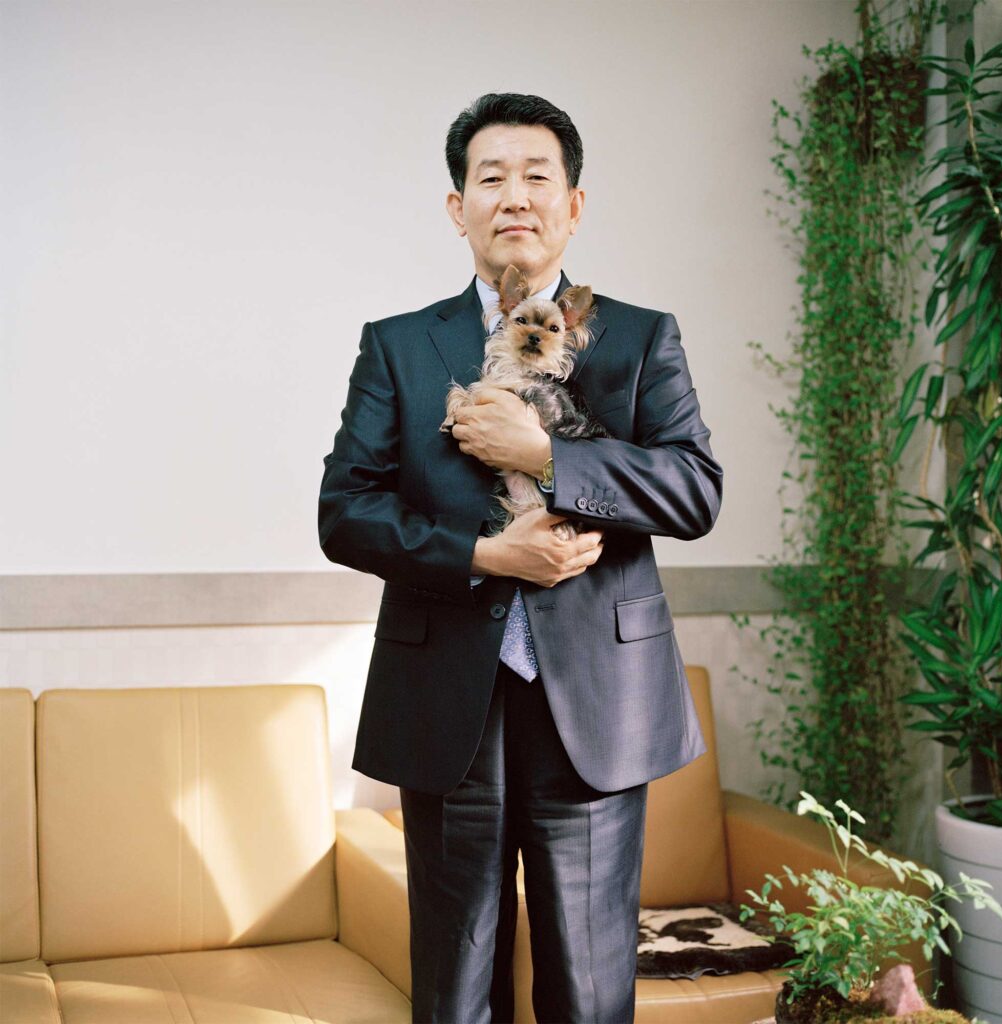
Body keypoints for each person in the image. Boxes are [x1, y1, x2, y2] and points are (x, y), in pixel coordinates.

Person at [318, 92, 723, 1024]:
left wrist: (549, 458)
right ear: (456, 206)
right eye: (489, 177)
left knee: (588, 988)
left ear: (573, 205)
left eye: (537, 176)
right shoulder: (397, 345)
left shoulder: (640, 334)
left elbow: (696, 491)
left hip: (597, 704)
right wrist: (485, 553)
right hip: (448, 700)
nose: (514, 197)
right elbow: (345, 512)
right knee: (456, 990)